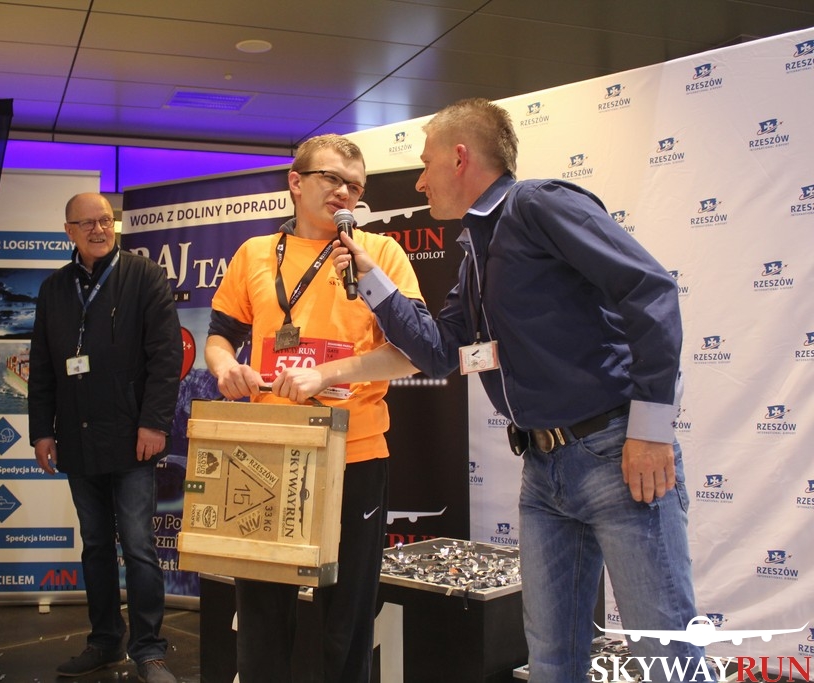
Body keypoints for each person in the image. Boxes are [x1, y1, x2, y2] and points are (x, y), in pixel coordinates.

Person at [303, 98, 704, 682]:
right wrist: (371, 276)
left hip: (616, 455)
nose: (419, 181)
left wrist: (651, 430)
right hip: (543, 471)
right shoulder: (476, 245)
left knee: (666, 652)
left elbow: (651, 290)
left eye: (426, 163)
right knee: (551, 659)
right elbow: (440, 350)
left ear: (460, 157)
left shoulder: (538, 204)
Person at [205, 133, 424, 683]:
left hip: (355, 453)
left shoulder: (378, 255)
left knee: (346, 617)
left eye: (355, 186)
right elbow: (220, 335)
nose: (344, 192)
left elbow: (412, 353)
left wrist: (326, 375)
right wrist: (225, 367)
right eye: (331, 178)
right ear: (296, 183)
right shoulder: (255, 253)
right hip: (268, 455)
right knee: (261, 614)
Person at [27, 193, 182, 683]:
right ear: (68, 231)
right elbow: (42, 367)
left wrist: (154, 423)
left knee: (138, 546)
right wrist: (41, 431)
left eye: (105, 220)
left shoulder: (144, 275)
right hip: (76, 437)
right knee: (95, 545)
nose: (99, 229)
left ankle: (149, 650)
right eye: (87, 223)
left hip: (133, 437)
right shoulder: (54, 288)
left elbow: (166, 356)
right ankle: (104, 641)